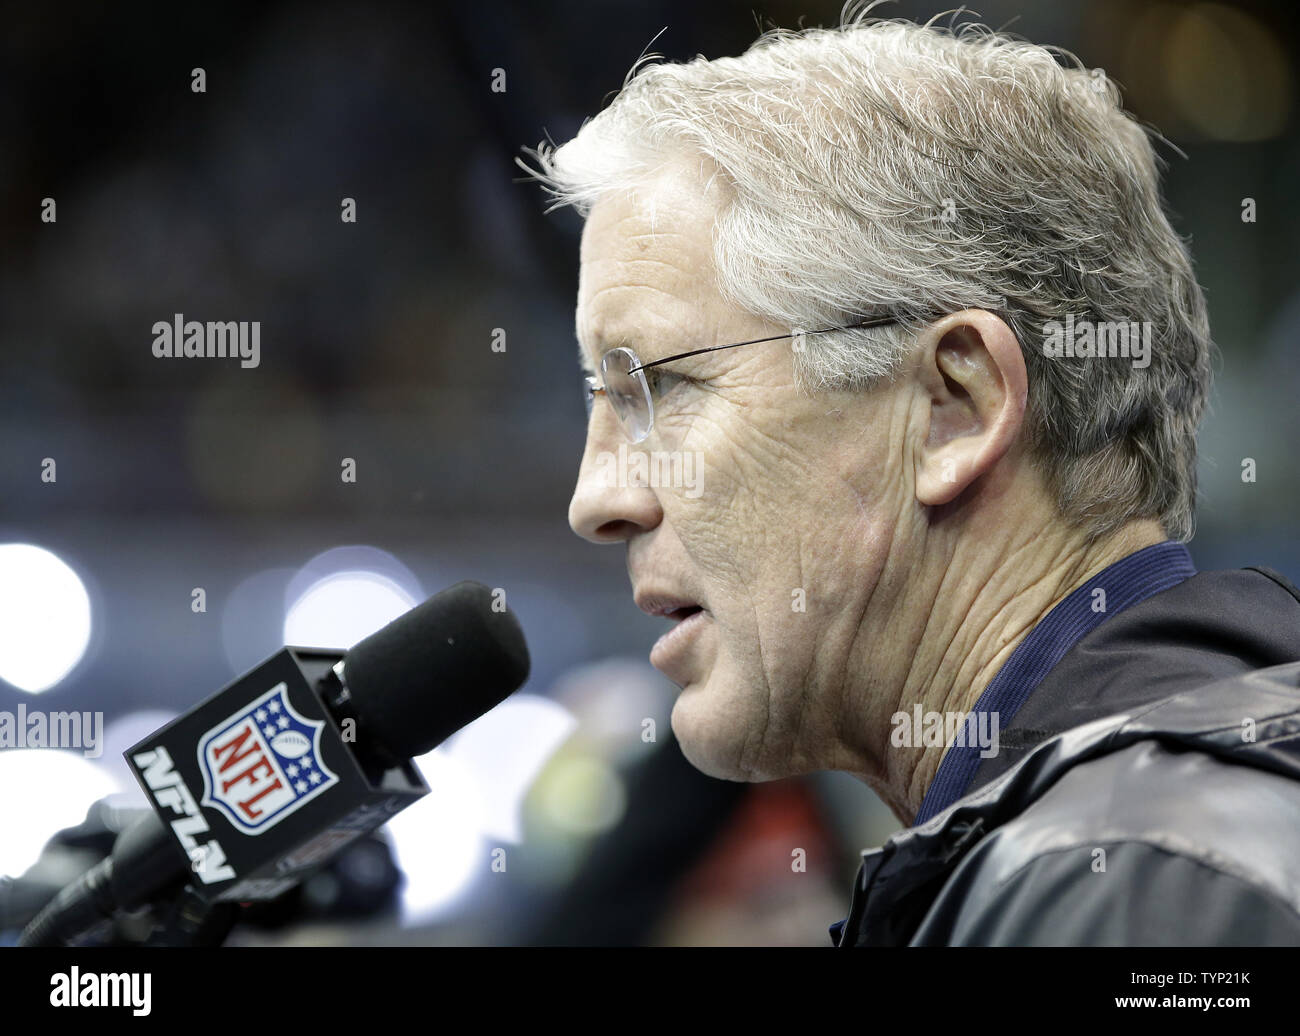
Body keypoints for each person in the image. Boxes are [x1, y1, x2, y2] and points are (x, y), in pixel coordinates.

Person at [523, 13, 1300, 944]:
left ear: (952, 409)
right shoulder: (1141, 841)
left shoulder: (1141, 883)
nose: (597, 500)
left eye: (662, 385)